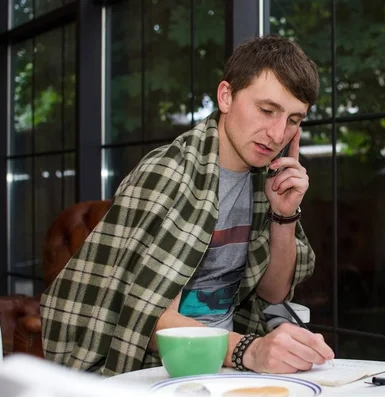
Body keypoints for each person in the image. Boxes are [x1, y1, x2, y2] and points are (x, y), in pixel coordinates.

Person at [40, 35, 334, 376]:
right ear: (226, 96)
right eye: (267, 110)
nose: (277, 133)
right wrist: (247, 351)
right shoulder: (167, 174)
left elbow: (273, 292)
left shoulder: (265, 180)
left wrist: (283, 215)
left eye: (294, 120)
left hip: (225, 361)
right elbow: (143, 318)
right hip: (158, 363)